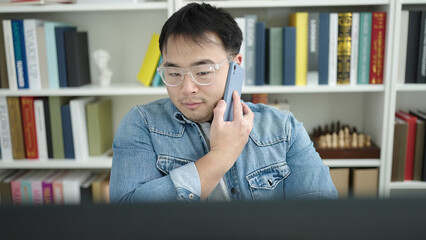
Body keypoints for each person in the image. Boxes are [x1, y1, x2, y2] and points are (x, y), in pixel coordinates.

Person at [109, 3, 337, 203]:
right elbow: (128, 220)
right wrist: (220, 156)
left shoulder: (283, 129)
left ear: (236, 65)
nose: (187, 88)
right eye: (174, 73)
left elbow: (322, 218)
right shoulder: (142, 124)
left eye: (203, 71)